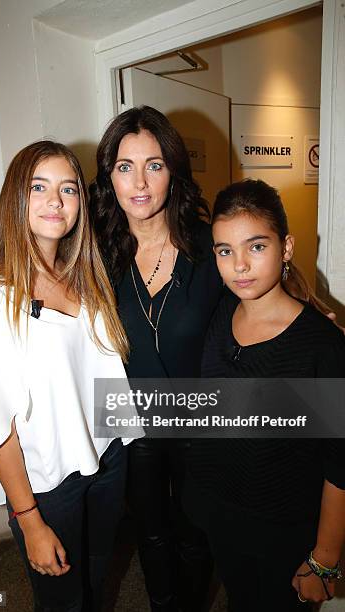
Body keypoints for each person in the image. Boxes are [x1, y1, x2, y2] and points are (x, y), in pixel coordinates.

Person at [0, 140, 132, 612]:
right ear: (16, 198)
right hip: (48, 486)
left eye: (68, 189)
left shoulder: (85, 277)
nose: (55, 200)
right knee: (60, 602)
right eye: (39, 187)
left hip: (107, 462)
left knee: (95, 584)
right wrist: (30, 520)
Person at [184, 179, 345, 612]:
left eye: (256, 246)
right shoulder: (220, 315)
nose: (239, 265)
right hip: (223, 515)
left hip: (283, 529)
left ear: (286, 247)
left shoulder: (321, 346)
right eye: (224, 250)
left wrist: (325, 559)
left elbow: (340, 465)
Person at [90, 105, 224, 611]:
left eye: (155, 164)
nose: (140, 182)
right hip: (134, 428)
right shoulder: (96, 256)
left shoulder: (209, 251)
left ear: (174, 170)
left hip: (200, 424)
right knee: (150, 535)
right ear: (109, 177)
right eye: (125, 166)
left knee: (195, 535)